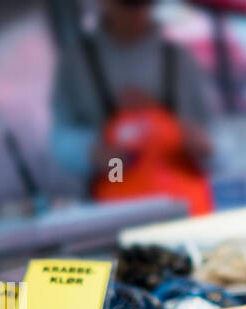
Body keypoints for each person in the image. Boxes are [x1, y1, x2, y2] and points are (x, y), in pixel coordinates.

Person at [51, 0, 218, 211]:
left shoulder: (180, 59)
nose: (135, 10)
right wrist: (94, 154)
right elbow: (61, 139)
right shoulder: (76, 63)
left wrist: (204, 145)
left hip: (185, 209)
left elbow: (217, 141)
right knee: (118, 184)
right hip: (119, 204)